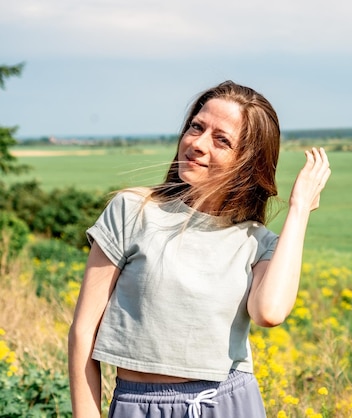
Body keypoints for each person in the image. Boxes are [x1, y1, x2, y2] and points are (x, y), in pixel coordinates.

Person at [68, 80, 331, 418]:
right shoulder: (132, 210)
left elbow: (269, 312)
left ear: (248, 163)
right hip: (138, 406)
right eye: (196, 127)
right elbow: (82, 334)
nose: (198, 143)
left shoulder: (256, 242)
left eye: (221, 139)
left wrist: (298, 209)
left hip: (228, 404)